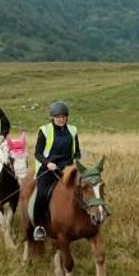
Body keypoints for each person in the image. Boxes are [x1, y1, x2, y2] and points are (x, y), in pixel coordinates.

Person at [31, 101, 81, 239]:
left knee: (85, 188)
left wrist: (76, 161)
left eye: (64, 116)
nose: (61, 119)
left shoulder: (72, 130)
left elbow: (77, 152)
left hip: (68, 168)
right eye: (58, 116)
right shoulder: (45, 130)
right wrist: (48, 163)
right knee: (41, 194)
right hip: (49, 169)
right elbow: (38, 153)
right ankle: (39, 227)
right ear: (52, 117)